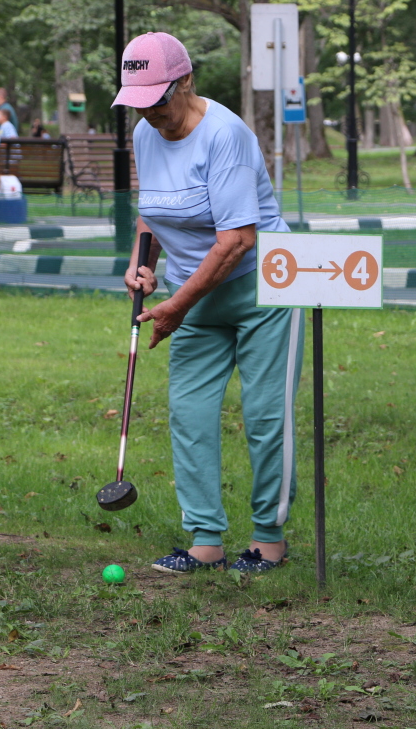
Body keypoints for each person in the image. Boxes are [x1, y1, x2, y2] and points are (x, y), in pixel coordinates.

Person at [118, 31, 302, 575]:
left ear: (186, 81)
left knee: (266, 415)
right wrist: (141, 261)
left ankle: (268, 541)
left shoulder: (227, 136)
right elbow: (152, 210)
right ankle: (205, 542)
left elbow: (237, 240)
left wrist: (177, 305)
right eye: (140, 102)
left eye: (158, 100)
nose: (151, 114)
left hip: (262, 286)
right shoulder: (145, 135)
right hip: (191, 292)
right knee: (191, 414)